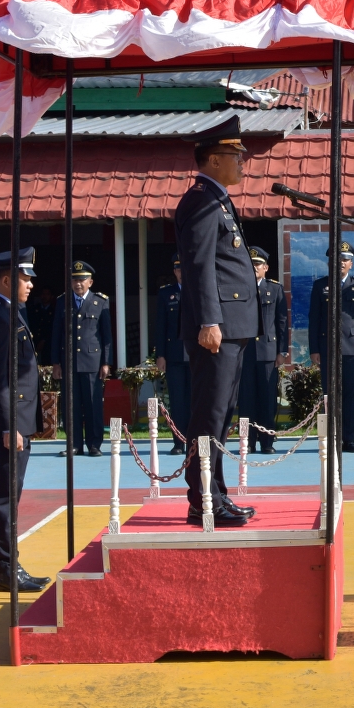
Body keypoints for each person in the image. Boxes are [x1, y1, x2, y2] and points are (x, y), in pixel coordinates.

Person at [174, 116, 259, 527]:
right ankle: (203, 499)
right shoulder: (202, 200)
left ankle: (216, 493)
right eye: (235, 155)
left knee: (221, 414)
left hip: (232, 325)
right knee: (208, 414)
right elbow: (198, 265)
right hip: (217, 328)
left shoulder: (217, 198)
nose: (243, 162)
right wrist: (209, 319)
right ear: (212, 159)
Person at [0, 247, 50, 593]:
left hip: (16, 419)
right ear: (6, 280)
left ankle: (7, 563)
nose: (30, 284)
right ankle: (3, 567)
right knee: (3, 496)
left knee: (9, 494)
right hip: (6, 422)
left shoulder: (10, 311)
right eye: (24, 278)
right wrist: (9, 425)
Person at [308, 240, 354, 453]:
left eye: (345, 260)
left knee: (351, 394)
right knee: (330, 395)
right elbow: (314, 319)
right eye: (337, 260)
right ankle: (332, 437)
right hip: (328, 348)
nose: (341, 263)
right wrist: (314, 349)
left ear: (351, 264)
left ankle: (349, 437)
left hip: (353, 348)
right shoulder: (320, 286)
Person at [51, 261, 112, 457]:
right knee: (71, 405)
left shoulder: (100, 301)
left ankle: (95, 444)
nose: (78, 284)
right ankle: (74, 444)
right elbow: (56, 334)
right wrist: (55, 362)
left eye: (82, 280)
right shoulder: (63, 301)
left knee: (93, 404)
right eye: (75, 280)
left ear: (90, 282)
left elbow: (106, 335)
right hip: (68, 362)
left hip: (92, 361)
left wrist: (106, 362)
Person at [240, 247, 290, 453]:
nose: (254, 268)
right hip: (245, 352)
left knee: (267, 399)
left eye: (257, 264)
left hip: (268, 351)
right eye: (251, 264)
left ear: (266, 268)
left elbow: (281, 322)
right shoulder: (239, 288)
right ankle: (247, 442)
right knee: (246, 400)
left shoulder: (275, 289)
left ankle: (267, 442)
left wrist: (282, 351)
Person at [155, 253, 190, 455]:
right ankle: (178, 442)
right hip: (174, 355)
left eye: (184, 268)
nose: (181, 273)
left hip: (195, 355)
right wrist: (160, 355)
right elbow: (160, 327)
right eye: (178, 269)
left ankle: (193, 440)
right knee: (177, 400)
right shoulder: (165, 294)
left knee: (194, 400)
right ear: (174, 271)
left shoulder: (199, 290)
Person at [28, 286, 56, 365]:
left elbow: (52, 328)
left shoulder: (54, 310)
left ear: (51, 296)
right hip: (34, 342)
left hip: (48, 345)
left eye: (47, 294)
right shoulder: (34, 309)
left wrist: (43, 340)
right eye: (43, 294)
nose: (45, 296)